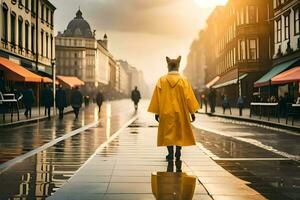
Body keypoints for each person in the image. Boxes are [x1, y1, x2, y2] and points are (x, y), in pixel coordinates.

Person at [148, 56, 199, 161]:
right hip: (181, 112)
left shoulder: (162, 80)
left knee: (168, 134)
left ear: (168, 66)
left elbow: (157, 97)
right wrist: (192, 112)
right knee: (179, 133)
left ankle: (170, 153)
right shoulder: (184, 80)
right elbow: (189, 97)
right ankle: (178, 152)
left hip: (166, 112)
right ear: (178, 66)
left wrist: (157, 112)